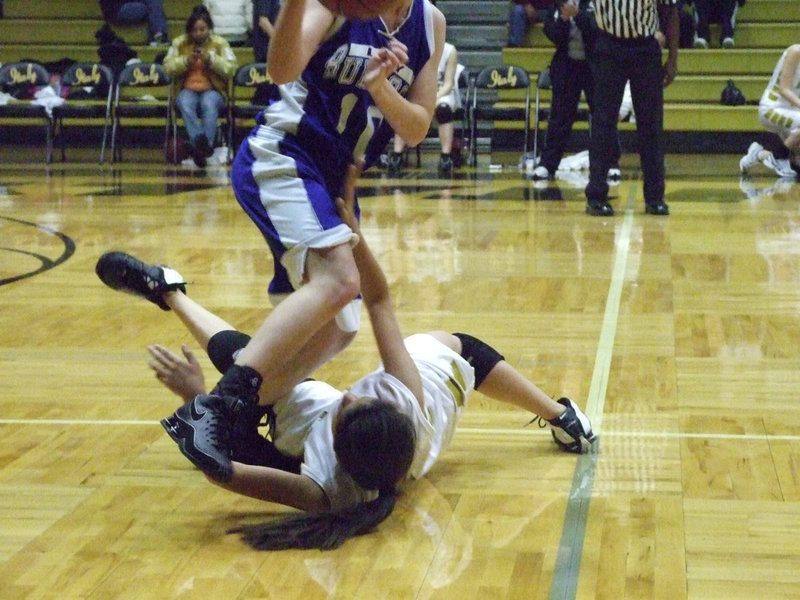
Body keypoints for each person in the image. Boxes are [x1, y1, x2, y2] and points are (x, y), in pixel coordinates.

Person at [95, 168, 597, 550]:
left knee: (252, 367)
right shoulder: (407, 405)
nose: (352, 391)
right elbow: (379, 300)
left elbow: (222, 470)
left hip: (280, 451)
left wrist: (194, 395)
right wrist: (350, 228)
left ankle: (171, 292)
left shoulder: (326, 492)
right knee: (459, 346)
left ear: (336, 441)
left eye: (348, 404)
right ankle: (561, 415)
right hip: (426, 404)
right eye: (364, 398)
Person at [150, 0, 447, 490]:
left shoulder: (429, 22)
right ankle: (215, 410)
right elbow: (281, 68)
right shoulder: (335, 5)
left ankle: (245, 406)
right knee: (341, 282)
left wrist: (377, 86)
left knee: (337, 330)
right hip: (286, 154)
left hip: (332, 185)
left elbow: (415, 127)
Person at [584, 0, 678, 217]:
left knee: (651, 125)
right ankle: (596, 196)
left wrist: (673, 59)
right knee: (603, 123)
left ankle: (655, 198)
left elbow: (671, 9)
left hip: (645, 48)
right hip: (608, 46)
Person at [529, 0, 622, 182]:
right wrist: (564, 20)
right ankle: (547, 165)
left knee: (603, 116)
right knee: (559, 117)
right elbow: (552, 32)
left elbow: (598, 31)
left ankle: (611, 164)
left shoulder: (597, 3)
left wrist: (577, 15)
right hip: (567, 67)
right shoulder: (558, 4)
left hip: (594, 66)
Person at [163, 5, 238, 167]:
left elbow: (231, 68)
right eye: (195, 30)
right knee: (184, 103)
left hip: (213, 90)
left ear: (209, 28)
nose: (199, 33)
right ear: (189, 30)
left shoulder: (220, 44)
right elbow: (168, 67)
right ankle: (203, 149)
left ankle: (203, 146)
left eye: (203, 29)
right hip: (186, 89)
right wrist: (185, 61)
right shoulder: (179, 43)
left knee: (208, 103)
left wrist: (211, 60)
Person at [387, 40, 463, 176]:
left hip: (441, 93)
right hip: (419, 91)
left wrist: (434, 98)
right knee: (403, 109)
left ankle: (446, 156)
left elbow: (449, 83)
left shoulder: (450, 50)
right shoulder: (415, 47)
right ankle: (396, 155)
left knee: (444, 109)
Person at [739, 43, 800, 179]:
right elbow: (784, 90)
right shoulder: (795, 52)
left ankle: (759, 155)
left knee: (797, 164)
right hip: (772, 108)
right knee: (786, 158)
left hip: (791, 113)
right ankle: (777, 157)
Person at [98, 0, 169, 46]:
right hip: (117, 10)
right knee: (152, 6)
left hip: (121, 6)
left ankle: (157, 36)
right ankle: (158, 36)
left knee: (152, 6)